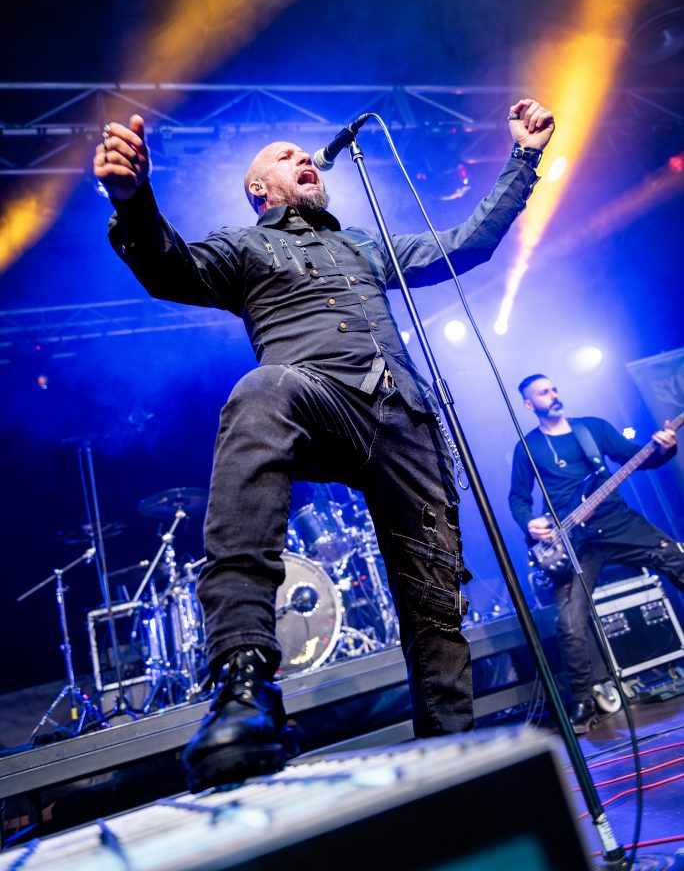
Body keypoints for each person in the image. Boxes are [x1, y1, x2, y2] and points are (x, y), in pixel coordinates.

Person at [94, 99, 555, 791]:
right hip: (318, 396)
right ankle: (244, 680)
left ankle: (455, 775)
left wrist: (523, 158)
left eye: (304, 152)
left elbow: (469, 241)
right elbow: (171, 267)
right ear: (260, 190)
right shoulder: (244, 244)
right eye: (284, 157)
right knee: (263, 389)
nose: (303, 156)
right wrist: (133, 202)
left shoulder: (364, 244)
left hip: (405, 421)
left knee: (434, 606)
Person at [508, 374, 681, 733]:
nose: (553, 394)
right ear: (529, 404)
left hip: (617, 521)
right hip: (573, 540)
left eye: (554, 388)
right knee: (570, 622)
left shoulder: (593, 429)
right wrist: (529, 523)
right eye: (543, 392)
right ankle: (584, 701)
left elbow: (638, 459)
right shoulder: (528, 447)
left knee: (677, 562)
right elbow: (518, 497)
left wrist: (665, 447)